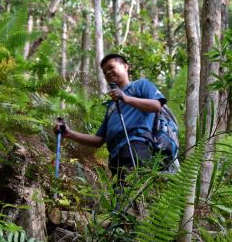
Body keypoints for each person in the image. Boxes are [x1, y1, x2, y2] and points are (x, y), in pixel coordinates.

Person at [55, 53, 166, 183]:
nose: (108, 72)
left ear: (125, 66)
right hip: (115, 157)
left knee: (132, 192)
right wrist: (69, 134)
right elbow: (99, 140)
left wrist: (125, 98)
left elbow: (156, 105)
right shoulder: (111, 106)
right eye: (105, 71)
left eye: (111, 67)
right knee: (122, 196)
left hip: (136, 147)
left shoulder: (140, 85)